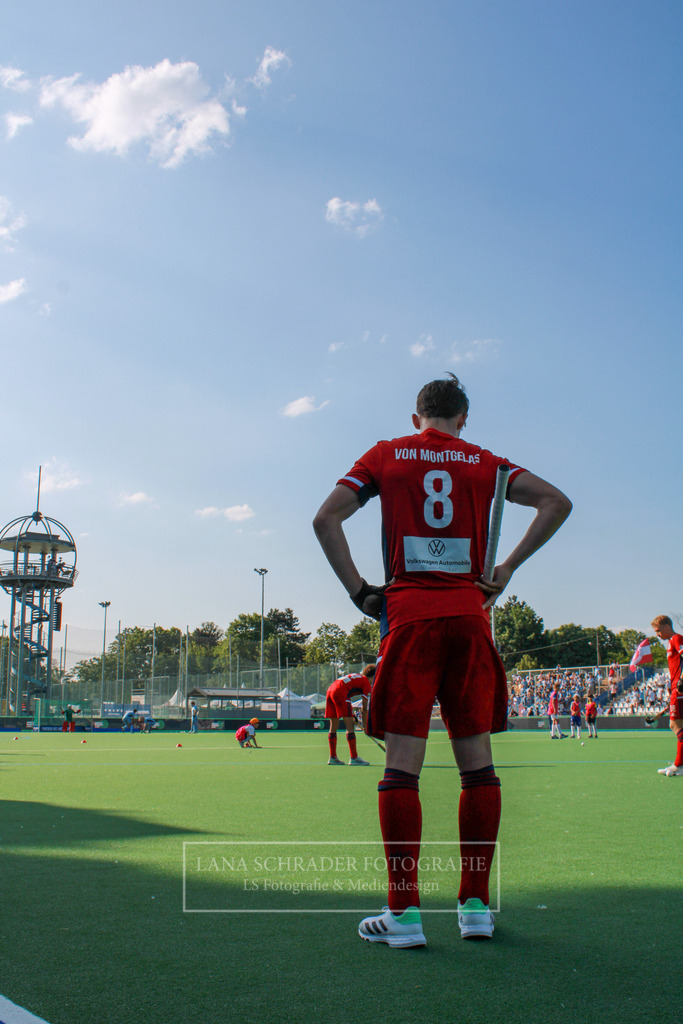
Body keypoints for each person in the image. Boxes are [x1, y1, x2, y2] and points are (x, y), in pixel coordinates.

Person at [313, 373, 571, 947]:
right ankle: (475, 907)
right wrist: (506, 568)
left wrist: (359, 592)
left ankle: (404, 914)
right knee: (477, 767)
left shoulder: (386, 455)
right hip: (469, 621)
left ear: (416, 418)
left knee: (402, 768)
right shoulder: (486, 462)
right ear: (463, 419)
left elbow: (324, 519)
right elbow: (557, 502)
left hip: (409, 620)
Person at [650, 615, 683, 777]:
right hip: (675, 688)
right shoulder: (670, 643)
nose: (657, 634)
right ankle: (679, 764)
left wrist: (682, 680)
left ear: (666, 627)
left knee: (675, 725)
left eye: (658, 630)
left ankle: (679, 765)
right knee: (677, 725)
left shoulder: (677, 639)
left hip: (680, 688)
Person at [325, 666, 376, 765]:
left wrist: (351, 715)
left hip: (330, 690)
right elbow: (364, 709)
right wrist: (366, 728)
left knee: (333, 726)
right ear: (373, 676)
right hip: (340, 691)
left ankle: (332, 757)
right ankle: (354, 758)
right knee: (350, 727)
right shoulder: (366, 682)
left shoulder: (359, 677)